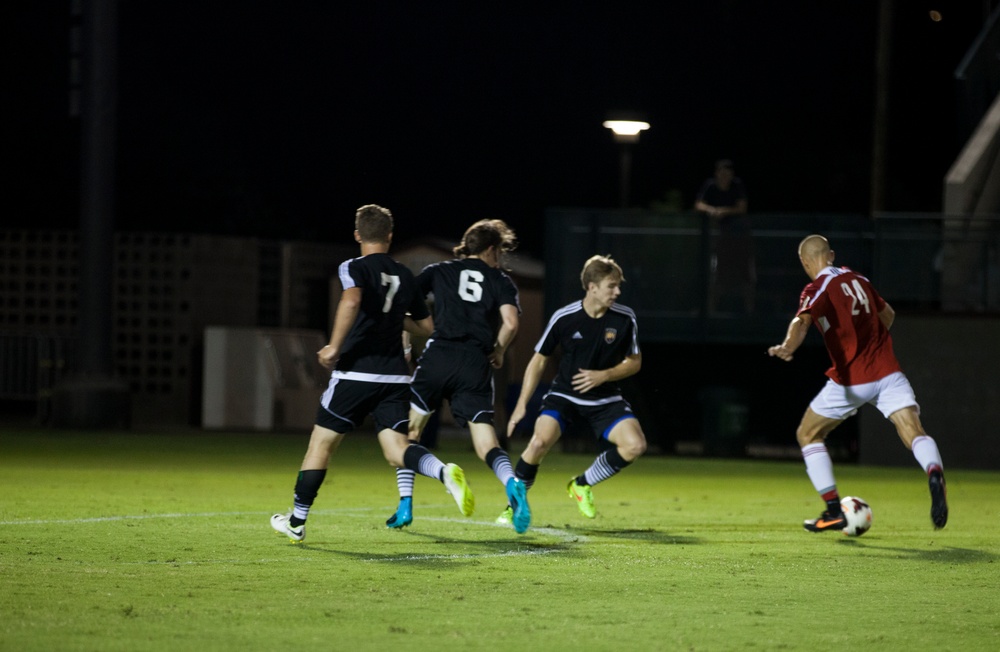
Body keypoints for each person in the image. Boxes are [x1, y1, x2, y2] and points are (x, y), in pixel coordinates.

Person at [270, 204, 474, 543]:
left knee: (321, 445)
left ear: (357, 235)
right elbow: (426, 326)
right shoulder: (405, 275)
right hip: (395, 377)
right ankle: (442, 471)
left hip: (355, 373)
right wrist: (394, 319)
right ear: (390, 237)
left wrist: (334, 347)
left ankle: (296, 521)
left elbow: (351, 302)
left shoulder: (353, 266)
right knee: (397, 449)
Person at [767, 234, 948, 532]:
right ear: (832, 255)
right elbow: (887, 314)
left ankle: (834, 510)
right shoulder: (858, 278)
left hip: (851, 380)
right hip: (889, 372)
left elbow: (802, 321)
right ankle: (933, 471)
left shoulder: (818, 287)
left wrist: (787, 346)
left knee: (808, 434)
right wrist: (871, 343)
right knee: (913, 430)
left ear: (805, 262)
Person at [385, 219, 531, 534]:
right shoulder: (500, 280)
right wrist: (500, 349)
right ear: (491, 249)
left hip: (439, 356)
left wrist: (407, 342)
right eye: (499, 252)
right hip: (475, 363)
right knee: (485, 443)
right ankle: (512, 482)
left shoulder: (439, 271)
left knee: (408, 434)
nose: (500, 259)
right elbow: (511, 322)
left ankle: (405, 505)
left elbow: (404, 306)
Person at [503, 254, 647, 521]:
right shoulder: (565, 317)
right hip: (564, 395)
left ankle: (582, 484)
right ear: (592, 287)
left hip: (605, 397)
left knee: (635, 445)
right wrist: (521, 404)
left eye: (618, 286)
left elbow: (635, 362)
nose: (617, 292)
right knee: (538, 443)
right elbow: (538, 361)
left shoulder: (625, 318)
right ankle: (513, 509)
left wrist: (604, 375)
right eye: (611, 286)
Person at [694, 159, 754, 314]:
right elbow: (699, 204)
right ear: (717, 173)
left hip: (739, 238)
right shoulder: (710, 185)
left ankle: (749, 313)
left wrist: (724, 211)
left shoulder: (737, 185)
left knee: (746, 277)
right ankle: (710, 312)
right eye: (721, 172)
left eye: (727, 173)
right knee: (715, 276)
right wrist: (712, 210)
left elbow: (742, 207)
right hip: (717, 239)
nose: (724, 176)